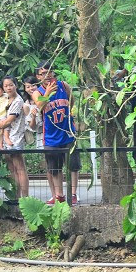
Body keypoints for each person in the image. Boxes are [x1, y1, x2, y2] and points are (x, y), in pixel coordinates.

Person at [36, 63, 82, 205]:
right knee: (55, 168)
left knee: (73, 165)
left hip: (67, 132)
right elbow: (40, 107)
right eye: (43, 73)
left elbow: (71, 100)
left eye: (50, 72)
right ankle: (59, 195)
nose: (48, 75)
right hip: (51, 137)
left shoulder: (63, 85)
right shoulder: (37, 91)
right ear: (38, 76)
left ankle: (73, 194)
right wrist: (48, 93)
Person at [0, 76, 29, 198]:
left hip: (15, 136)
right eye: (6, 86)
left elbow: (9, 120)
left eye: (11, 85)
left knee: (20, 167)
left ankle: (25, 197)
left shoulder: (17, 101)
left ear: (16, 85)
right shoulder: (6, 99)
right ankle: (15, 196)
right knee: (11, 167)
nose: (8, 87)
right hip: (5, 136)